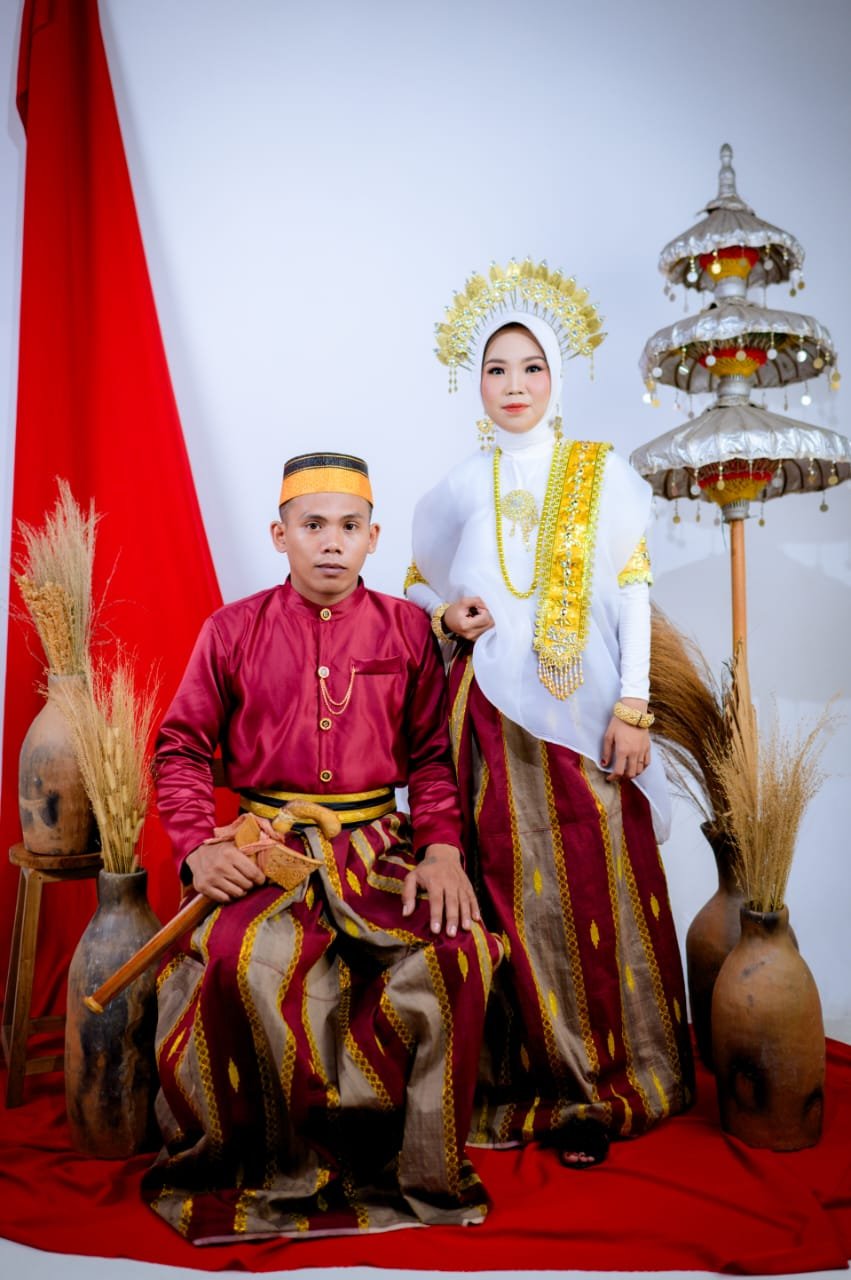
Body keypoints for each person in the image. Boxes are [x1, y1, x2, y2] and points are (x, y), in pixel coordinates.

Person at [144, 452, 502, 1243]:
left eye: (348, 526)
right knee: (243, 958)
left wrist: (441, 850)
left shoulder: (408, 629)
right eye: (312, 525)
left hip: (377, 849)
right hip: (266, 847)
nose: (331, 542)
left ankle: (410, 1163)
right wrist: (198, 847)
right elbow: (179, 749)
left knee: (458, 948)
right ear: (280, 535)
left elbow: (431, 761)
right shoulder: (231, 630)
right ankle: (271, 1165)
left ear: (374, 537)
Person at [405, 260, 694, 1166]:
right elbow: (418, 587)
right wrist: (446, 616)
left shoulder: (599, 474)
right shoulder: (459, 486)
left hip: (591, 714)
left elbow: (634, 591)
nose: (514, 385)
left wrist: (635, 706)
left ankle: (614, 1078)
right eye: (496, 369)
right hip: (492, 725)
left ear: (556, 377)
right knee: (512, 894)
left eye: (530, 367)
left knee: (601, 882)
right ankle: (538, 1084)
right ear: (475, 384)